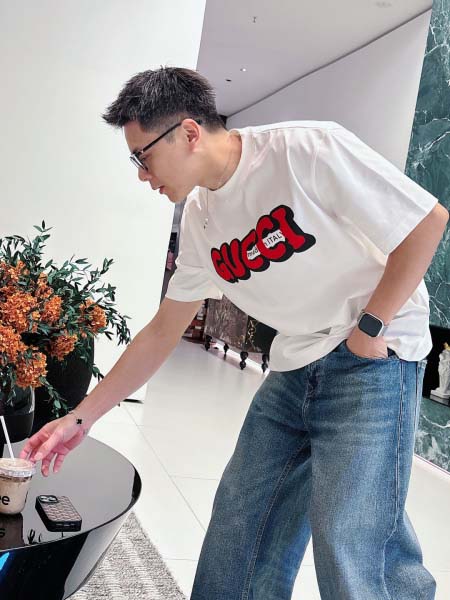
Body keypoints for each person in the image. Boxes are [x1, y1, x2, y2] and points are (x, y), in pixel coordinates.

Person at [20, 66, 448, 599]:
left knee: (353, 543)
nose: (142, 175)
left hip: (371, 357)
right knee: (240, 525)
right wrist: (80, 419)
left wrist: (369, 327)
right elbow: (163, 330)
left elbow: (426, 222)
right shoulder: (200, 217)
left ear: (188, 133)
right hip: (295, 363)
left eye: (143, 157)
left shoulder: (306, 149)